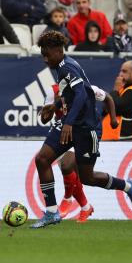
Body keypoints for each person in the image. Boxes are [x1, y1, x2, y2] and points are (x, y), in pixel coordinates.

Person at [31, 31, 132, 228]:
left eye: (47, 54)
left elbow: (82, 95)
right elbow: (71, 95)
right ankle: (51, 212)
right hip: (70, 123)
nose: (44, 59)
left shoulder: (68, 67)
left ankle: (128, 186)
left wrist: (68, 123)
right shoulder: (60, 67)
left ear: (58, 51)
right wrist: (55, 107)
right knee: (42, 159)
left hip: (85, 128)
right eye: (42, 55)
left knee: (87, 178)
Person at [40, 83, 119, 222]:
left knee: (67, 166)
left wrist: (113, 119)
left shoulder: (87, 88)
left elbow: (108, 98)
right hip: (63, 131)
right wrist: (50, 109)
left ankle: (67, 198)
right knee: (72, 172)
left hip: (84, 131)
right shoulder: (52, 91)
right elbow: (44, 119)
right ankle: (85, 206)